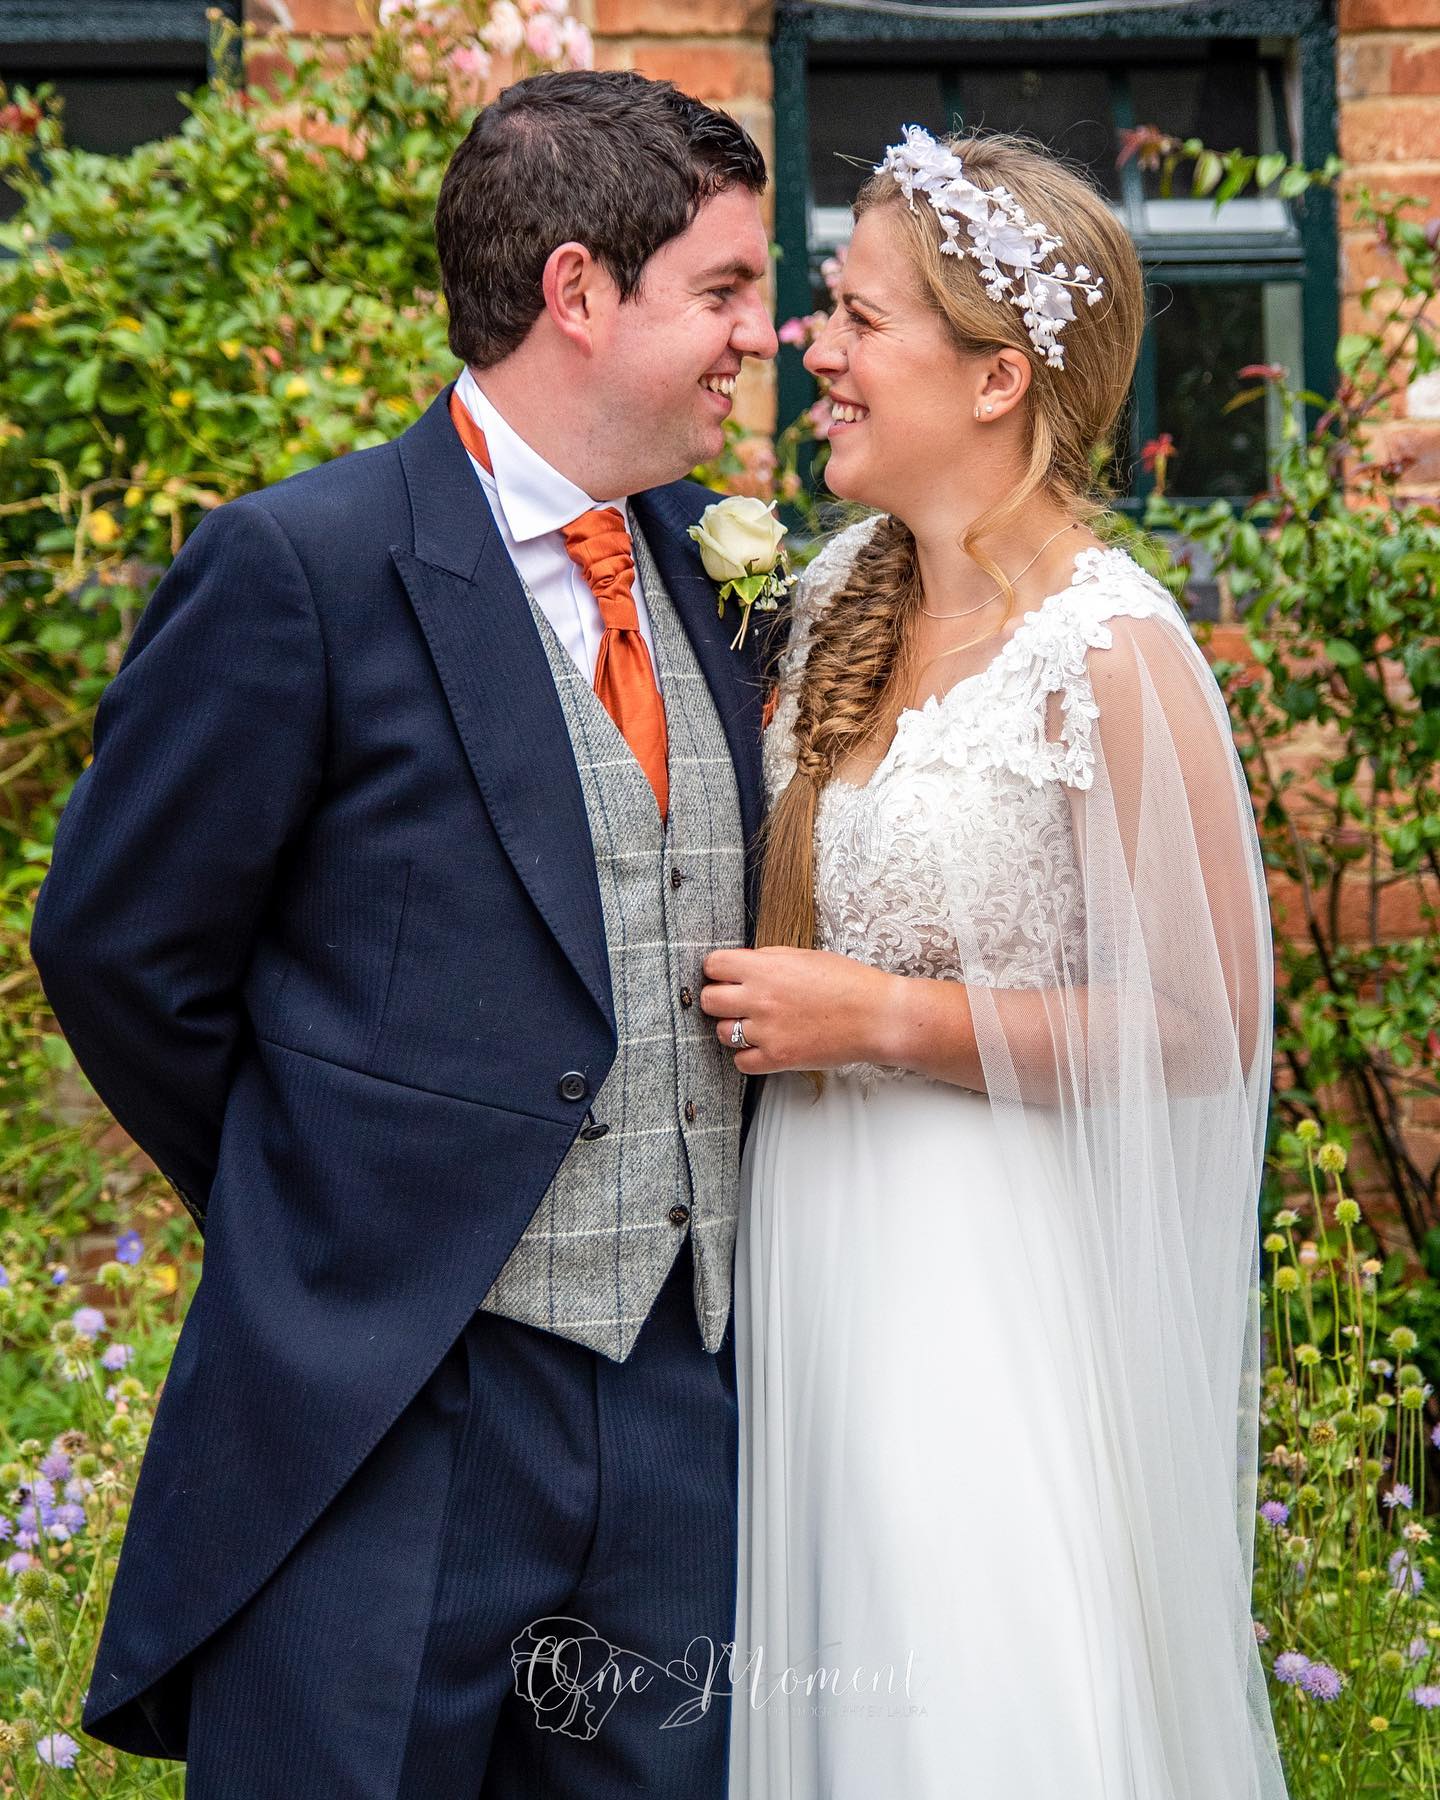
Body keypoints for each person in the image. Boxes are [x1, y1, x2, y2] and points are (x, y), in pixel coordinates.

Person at [29, 70, 779, 1799]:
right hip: (394, 1409)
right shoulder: (301, 564)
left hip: (684, 1405)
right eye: (725, 293)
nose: (766, 334)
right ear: (579, 290)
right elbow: (118, 947)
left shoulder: (715, 568)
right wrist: (322, 1195)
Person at [701, 128, 1291, 1797]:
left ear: (997, 378)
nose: (812, 347)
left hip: (984, 1286)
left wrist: (885, 1015)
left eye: (856, 316)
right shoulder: (825, 602)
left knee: (964, 1696)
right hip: (817, 1256)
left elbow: (1204, 1021)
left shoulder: (1110, 647)